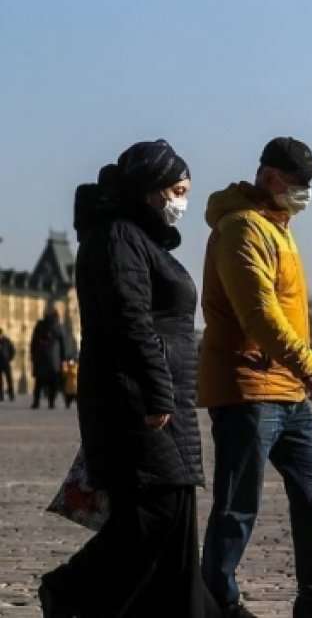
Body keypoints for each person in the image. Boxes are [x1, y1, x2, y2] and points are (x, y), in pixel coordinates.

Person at [41, 140, 219, 617]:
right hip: (135, 397)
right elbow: (129, 319)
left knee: (174, 507)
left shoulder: (138, 237)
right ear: (151, 190)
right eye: (178, 190)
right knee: (155, 512)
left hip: (161, 395)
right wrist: (158, 391)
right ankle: (70, 588)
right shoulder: (118, 236)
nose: (182, 201)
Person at [198, 137, 312, 618]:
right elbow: (259, 312)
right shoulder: (241, 229)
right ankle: (217, 602)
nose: (304, 193)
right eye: (298, 183)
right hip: (249, 387)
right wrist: (308, 363)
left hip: (285, 391)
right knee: (238, 504)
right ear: (271, 178)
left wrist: (296, 372)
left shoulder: (278, 227)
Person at [30, 308, 66, 409]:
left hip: (41, 358)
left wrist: (33, 355)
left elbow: (33, 342)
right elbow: (62, 344)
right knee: (53, 383)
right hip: (54, 360)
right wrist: (63, 359)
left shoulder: (40, 325)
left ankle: (36, 402)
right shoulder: (58, 326)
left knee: (39, 382)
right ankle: (51, 402)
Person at [0, 327, 15, 402]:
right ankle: (1, 395)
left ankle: (11, 394)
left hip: (6, 362)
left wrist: (9, 358)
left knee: (9, 379)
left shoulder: (6, 340)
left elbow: (12, 350)